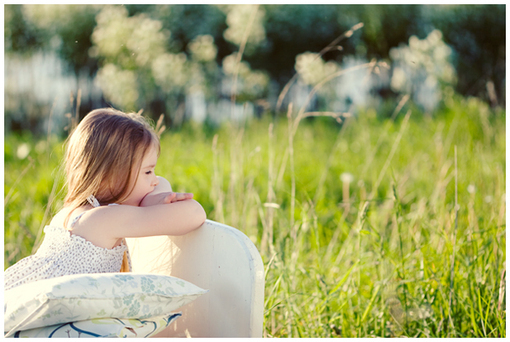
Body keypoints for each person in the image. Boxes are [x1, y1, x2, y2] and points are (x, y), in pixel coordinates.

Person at [4, 108, 206, 291]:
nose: (155, 181)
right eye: (148, 171)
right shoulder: (105, 218)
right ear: (110, 176)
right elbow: (195, 214)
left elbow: (160, 183)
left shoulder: (70, 213)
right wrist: (147, 204)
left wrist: (147, 200)